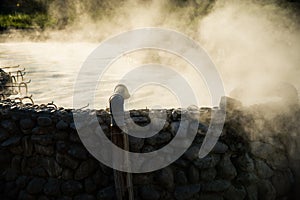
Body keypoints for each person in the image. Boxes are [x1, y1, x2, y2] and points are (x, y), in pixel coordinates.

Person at [109, 84, 134, 200]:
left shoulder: (114, 98)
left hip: (116, 129)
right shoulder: (117, 98)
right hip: (118, 132)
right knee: (122, 165)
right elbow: (119, 119)